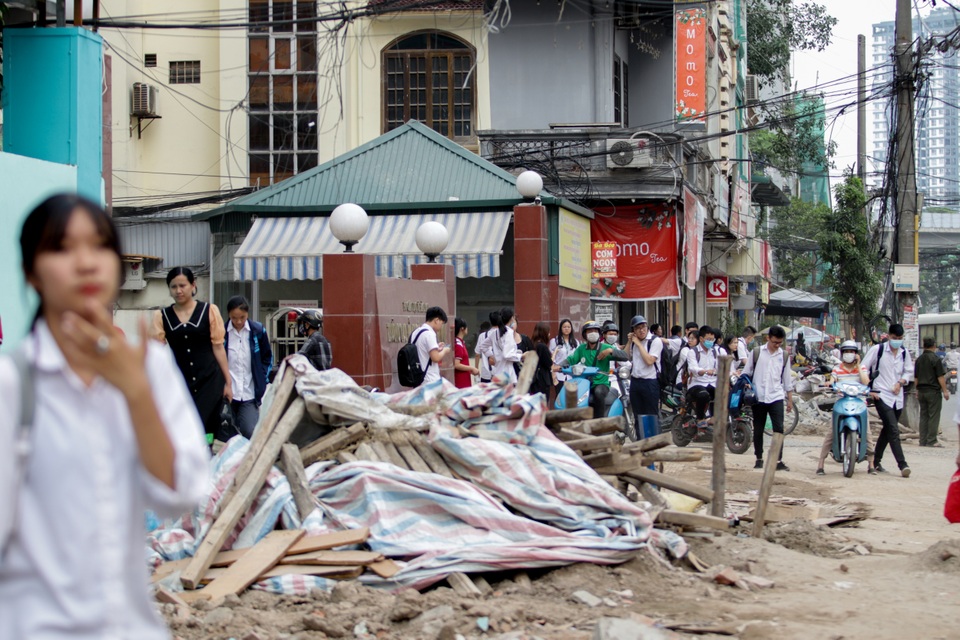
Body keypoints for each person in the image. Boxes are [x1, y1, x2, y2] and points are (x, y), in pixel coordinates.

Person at [0, 193, 208, 638]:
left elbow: (183, 492)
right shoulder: (13, 385)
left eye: (99, 247)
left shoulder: (148, 367)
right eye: (61, 248)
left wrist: (134, 393)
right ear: (30, 271)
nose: (85, 263)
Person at [152, 267, 232, 440]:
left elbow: (218, 347)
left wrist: (228, 382)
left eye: (182, 285)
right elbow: (156, 352)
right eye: (173, 287)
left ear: (193, 285)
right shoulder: (162, 316)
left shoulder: (209, 310)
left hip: (210, 381)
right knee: (185, 426)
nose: (178, 291)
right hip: (181, 382)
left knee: (205, 426)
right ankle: (197, 459)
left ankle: (207, 455)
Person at [861, 323, 913, 477]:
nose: (897, 340)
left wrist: (901, 382)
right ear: (888, 336)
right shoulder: (878, 350)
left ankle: (875, 461)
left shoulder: (904, 353)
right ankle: (902, 465)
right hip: (881, 394)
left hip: (897, 397)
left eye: (900, 338)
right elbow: (863, 367)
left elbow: (908, 371)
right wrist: (870, 388)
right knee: (893, 429)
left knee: (888, 429)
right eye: (894, 338)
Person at [816, 340, 875, 475]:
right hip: (841, 402)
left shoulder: (862, 368)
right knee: (831, 432)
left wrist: (859, 365)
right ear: (842, 353)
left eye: (852, 352)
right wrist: (828, 384)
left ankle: (871, 464)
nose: (849, 354)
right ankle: (821, 463)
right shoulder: (837, 368)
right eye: (846, 351)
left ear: (856, 354)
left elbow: (866, 382)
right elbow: (832, 382)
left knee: (868, 433)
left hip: (859, 403)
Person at [742, 325, 793, 471]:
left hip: (776, 396)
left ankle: (778, 460)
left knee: (779, 429)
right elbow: (746, 373)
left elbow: (787, 379)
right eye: (775, 342)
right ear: (768, 338)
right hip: (759, 397)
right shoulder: (757, 352)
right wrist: (748, 386)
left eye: (780, 343)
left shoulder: (783, 356)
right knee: (758, 429)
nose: (777, 345)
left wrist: (789, 399)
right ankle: (759, 458)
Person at [224, 296, 273, 438]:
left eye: (242, 317)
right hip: (228, 393)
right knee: (227, 433)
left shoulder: (258, 331)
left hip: (249, 393)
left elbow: (267, 357)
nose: (238, 322)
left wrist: (261, 379)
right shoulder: (222, 333)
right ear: (228, 315)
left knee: (250, 431)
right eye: (234, 318)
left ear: (248, 314)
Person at [556, 320, 624, 419]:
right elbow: (571, 359)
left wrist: (611, 351)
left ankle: (599, 422)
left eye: (595, 331)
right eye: (589, 331)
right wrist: (559, 366)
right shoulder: (581, 349)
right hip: (585, 383)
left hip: (601, 383)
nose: (593, 333)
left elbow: (625, 356)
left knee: (598, 393)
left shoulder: (605, 347)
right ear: (585, 334)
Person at [626, 315, 662, 439]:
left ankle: (653, 443)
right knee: (637, 415)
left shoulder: (655, 341)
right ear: (633, 331)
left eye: (644, 327)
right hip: (635, 382)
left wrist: (639, 344)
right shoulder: (633, 342)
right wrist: (630, 342)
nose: (642, 330)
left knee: (651, 415)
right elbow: (625, 357)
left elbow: (649, 360)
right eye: (638, 328)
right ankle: (641, 444)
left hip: (650, 382)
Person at [915, 336, 949, 448]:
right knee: (933, 415)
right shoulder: (935, 359)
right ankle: (932, 440)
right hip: (933, 391)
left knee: (923, 415)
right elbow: (940, 377)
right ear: (934, 346)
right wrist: (945, 391)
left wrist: (917, 390)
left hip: (921, 391)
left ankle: (922, 440)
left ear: (924, 346)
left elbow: (916, 378)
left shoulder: (919, 359)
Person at [685, 326, 721, 423]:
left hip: (712, 383)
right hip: (697, 384)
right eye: (708, 339)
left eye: (712, 339)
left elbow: (719, 366)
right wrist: (704, 371)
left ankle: (714, 417)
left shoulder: (715, 352)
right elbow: (693, 368)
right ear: (701, 339)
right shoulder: (693, 352)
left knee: (722, 394)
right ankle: (700, 419)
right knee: (703, 395)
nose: (711, 342)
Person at [413, 306, 451, 385]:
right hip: (429, 380)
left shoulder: (416, 332)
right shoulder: (430, 334)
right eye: (442, 323)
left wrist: (436, 346)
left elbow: (422, 351)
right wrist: (445, 350)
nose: (441, 326)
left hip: (418, 378)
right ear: (437, 320)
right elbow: (436, 358)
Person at [550, 318, 578, 398]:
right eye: (564, 327)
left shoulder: (575, 342)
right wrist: (553, 373)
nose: (566, 329)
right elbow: (552, 358)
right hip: (559, 374)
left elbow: (578, 358)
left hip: (572, 374)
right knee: (560, 396)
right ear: (561, 328)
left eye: (568, 327)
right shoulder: (554, 341)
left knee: (571, 397)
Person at [492, 307, 522, 382]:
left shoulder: (495, 332)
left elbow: (483, 346)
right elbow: (507, 354)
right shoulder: (508, 333)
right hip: (506, 374)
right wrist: (520, 356)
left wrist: (492, 356)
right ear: (511, 318)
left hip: (498, 371)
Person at [524, 322, 554, 397]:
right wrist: (555, 353)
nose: (549, 334)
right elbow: (549, 363)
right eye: (548, 332)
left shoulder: (532, 344)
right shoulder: (542, 346)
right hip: (542, 379)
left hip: (533, 379)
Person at [453, 317, 479, 389]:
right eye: (466, 326)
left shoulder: (460, 343)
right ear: (462, 328)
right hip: (460, 381)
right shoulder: (458, 344)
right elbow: (456, 364)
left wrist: (470, 370)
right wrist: (471, 368)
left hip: (464, 378)